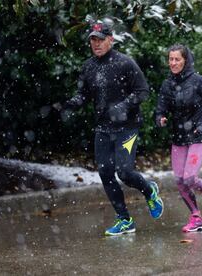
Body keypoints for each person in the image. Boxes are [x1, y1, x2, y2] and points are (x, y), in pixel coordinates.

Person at [58, 21, 163, 236]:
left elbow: (143, 91)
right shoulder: (88, 66)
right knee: (105, 172)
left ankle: (149, 190)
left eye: (100, 39)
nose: (96, 44)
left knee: (124, 172)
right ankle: (125, 219)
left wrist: (123, 106)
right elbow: (84, 94)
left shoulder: (125, 63)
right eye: (92, 40)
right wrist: (71, 103)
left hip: (127, 128)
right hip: (103, 128)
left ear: (111, 40)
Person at [155, 44, 202, 232]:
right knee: (179, 180)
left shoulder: (198, 81)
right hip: (179, 137)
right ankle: (196, 216)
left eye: (177, 59)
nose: (173, 63)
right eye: (170, 59)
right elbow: (160, 108)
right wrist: (160, 118)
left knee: (189, 177)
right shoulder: (167, 84)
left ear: (186, 61)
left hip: (199, 136)